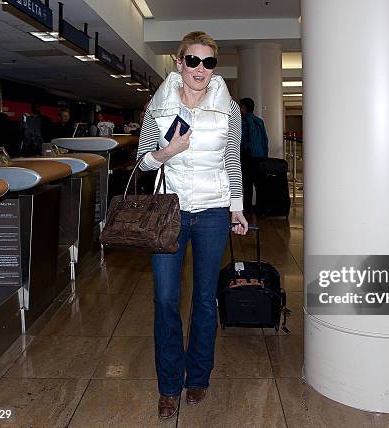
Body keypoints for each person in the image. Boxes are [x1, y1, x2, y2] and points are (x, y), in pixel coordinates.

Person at [136, 31, 248, 419]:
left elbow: (232, 159)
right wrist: (168, 151)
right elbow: (141, 162)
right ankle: (169, 384)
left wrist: (237, 206)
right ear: (179, 63)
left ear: (214, 66)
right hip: (169, 211)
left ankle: (198, 376)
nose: (201, 69)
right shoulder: (158, 105)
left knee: (204, 299)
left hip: (213, 212)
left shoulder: (227, 107)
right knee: (165, 299)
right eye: (193, 61)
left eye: (209, 62)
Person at [239, 97, 269, 212]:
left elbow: (241, 140)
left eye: (241, 106)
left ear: (244, 108)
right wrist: (265, 154)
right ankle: (261, 209)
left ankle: (247, 209)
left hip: (247, 156)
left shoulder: (243, 121)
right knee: (260, 184)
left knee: (247, 184)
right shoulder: (259, 121)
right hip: (260, 157)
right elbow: (265, 140)